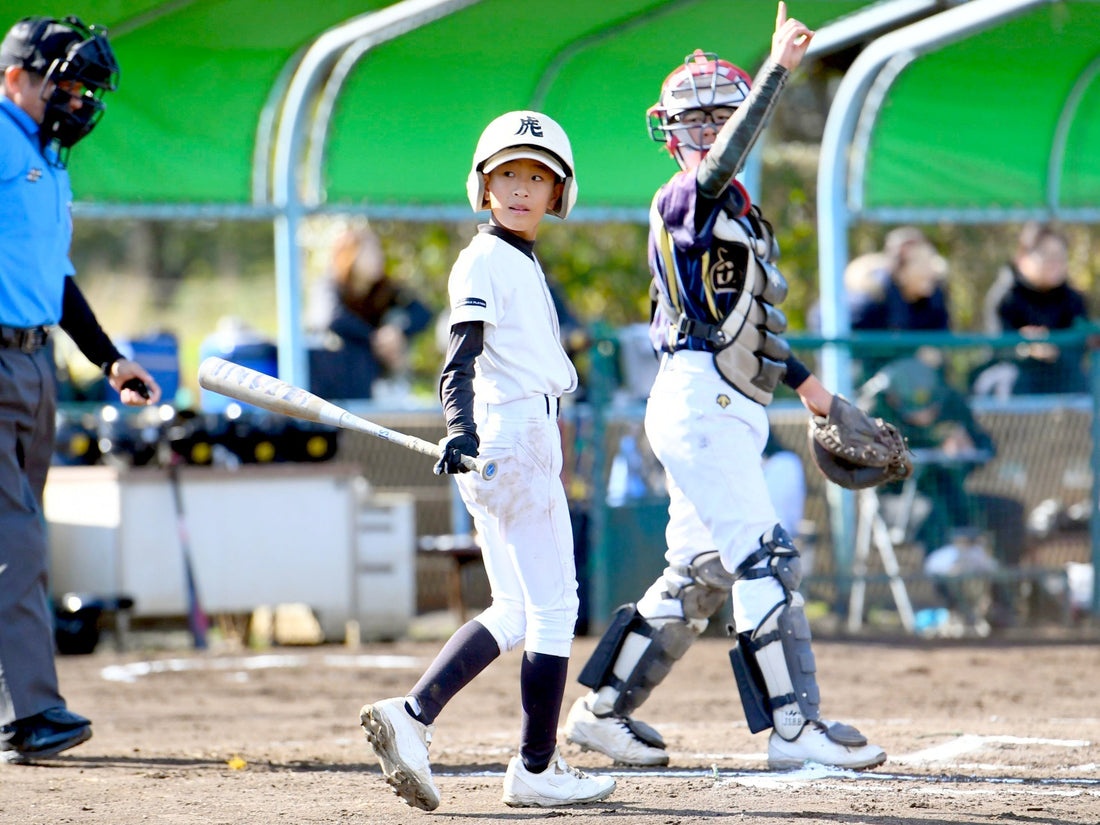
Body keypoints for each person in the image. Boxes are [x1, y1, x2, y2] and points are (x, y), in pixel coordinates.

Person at [563, 3, 888, 772]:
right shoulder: (684, 195)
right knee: (764, 557)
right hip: (699, 397)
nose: (709, 132)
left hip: (726, 400)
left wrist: (813, 393)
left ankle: (603, 710)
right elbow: (712, 169)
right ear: (670, 134)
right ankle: (794, 727)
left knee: (704, 567)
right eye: (694, 122)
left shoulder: (740, 210)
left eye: (721, 117)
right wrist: (775, 69)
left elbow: (756, 326)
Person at [358, 110, 615, 810]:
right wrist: (461, 428)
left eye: (537, 176)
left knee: (516, 611)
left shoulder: (514, 259)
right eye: (508, 174)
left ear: (559, 193)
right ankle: (537, 767)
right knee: (556, 609)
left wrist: (471, 435)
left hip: (511, 442)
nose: (523, 188)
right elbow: (458, 359)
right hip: (516, 441)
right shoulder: (486, 259)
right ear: (483, 185)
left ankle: (411, 717)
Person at [0, 15, 161, 764]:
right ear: (14, 79)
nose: (75, 98)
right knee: (17, 539)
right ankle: (31, 712)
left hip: (33, 368)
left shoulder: (48, 161)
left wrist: (111, 360)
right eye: (60, 82)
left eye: (82, 86)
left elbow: (54, 280)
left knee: (21, 531)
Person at [859, 355, 1026, 628]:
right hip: (899, 501)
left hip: (951, 495)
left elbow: (986, 447)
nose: (926, 415)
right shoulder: (872, 408)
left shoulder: (949, 400)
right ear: (893, 399)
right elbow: (864, 465)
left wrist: (968, 448)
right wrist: (915, 456)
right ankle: (954, 610)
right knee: (932, 515)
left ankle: (999, 606)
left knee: (1009, 511)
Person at [305, 223, 432, 400]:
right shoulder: (329, 285)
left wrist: (397, 333)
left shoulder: (384, 290)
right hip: (333, 385)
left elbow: (423, 313)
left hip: (377, 379)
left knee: (396, 320)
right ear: (351, 254)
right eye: (371, 252)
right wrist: (375, 339)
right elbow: (331, 319)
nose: (379, 258)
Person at [981, 222, 1089, 395]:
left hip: (1062, 382)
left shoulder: (1073, 300)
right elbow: (995, 349)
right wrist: (1025, 347)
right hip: (1015, 383)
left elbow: (1080, 347)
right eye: (1046, 255)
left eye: (1061, 256)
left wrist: (1054, 350)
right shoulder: (1005, 297)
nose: (1055, 263)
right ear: (1023, 256)